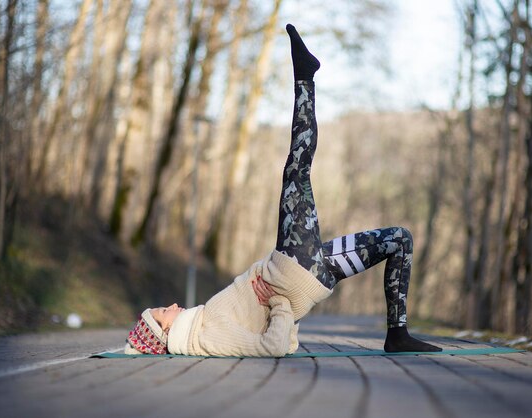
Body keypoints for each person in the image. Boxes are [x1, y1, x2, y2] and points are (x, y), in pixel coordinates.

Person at [125, 24, 441, 357]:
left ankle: (398, 334)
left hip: (309, 271)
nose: (172, 305)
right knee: (297, 169)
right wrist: (280, 303)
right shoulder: (203, 337)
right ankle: (305, 77)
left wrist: (281, 308)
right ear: (165, 330)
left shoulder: (199, 324)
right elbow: (272, 347)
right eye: (164, 311)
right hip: (292, 269)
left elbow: (277, 336)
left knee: (399, 239)